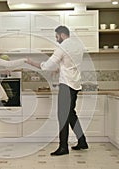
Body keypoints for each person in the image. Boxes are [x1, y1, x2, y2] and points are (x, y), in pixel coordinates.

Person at [26, 26, 88, 156]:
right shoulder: (78, 46)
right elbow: (70, 64)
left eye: (56, 36)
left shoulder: (62, 47)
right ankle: (82, 141)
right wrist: (59, 68)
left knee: (63, 115)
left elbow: (47, 65)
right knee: (71, 114)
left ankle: (63, 147)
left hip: (66, 85)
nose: (56, 39)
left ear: (61, 34)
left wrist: (32, 63)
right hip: (75, 84)